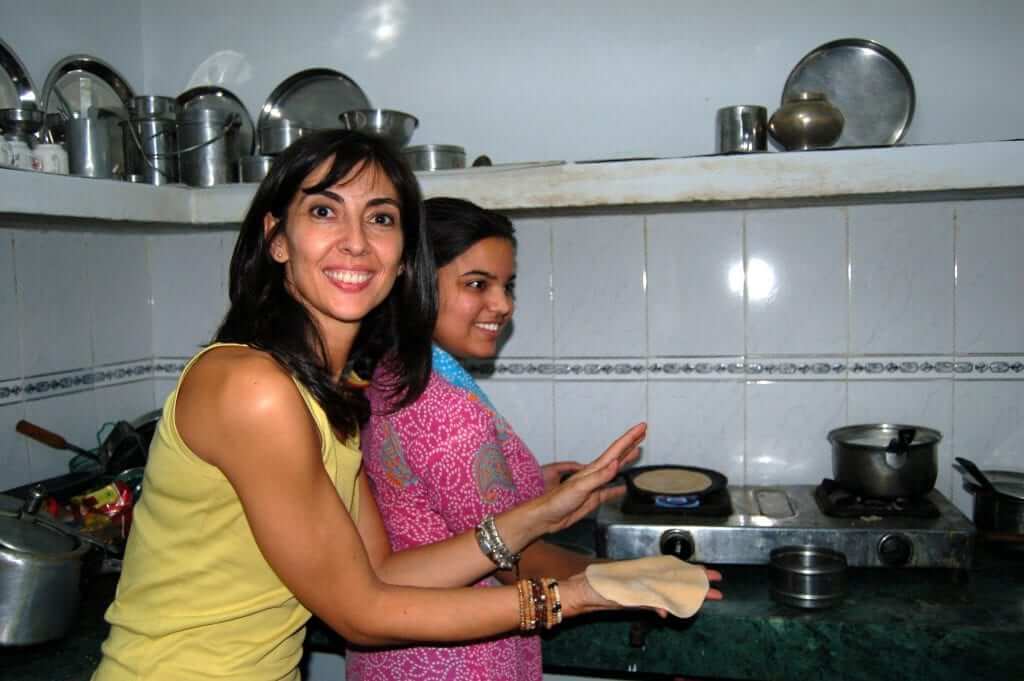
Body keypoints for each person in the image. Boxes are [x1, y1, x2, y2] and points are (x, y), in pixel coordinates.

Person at [90, 131, 718, 681]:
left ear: (401, 262)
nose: (357, 242)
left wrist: (539, 514)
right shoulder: (252, 387)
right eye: (324, 211)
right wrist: (571, 596)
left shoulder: (330, 397)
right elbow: (361, 612)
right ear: (277, 240)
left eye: (381, 218)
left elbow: (387, 570)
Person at [348, 197, 723, 681]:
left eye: (507, 285)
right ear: (414, 284)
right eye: (477, 284)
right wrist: (627, 574)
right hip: (456, 662)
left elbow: (422, 500)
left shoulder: (392, 373)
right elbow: (515, 563)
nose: (503, 305)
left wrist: (525, 480)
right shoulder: (444, 409)